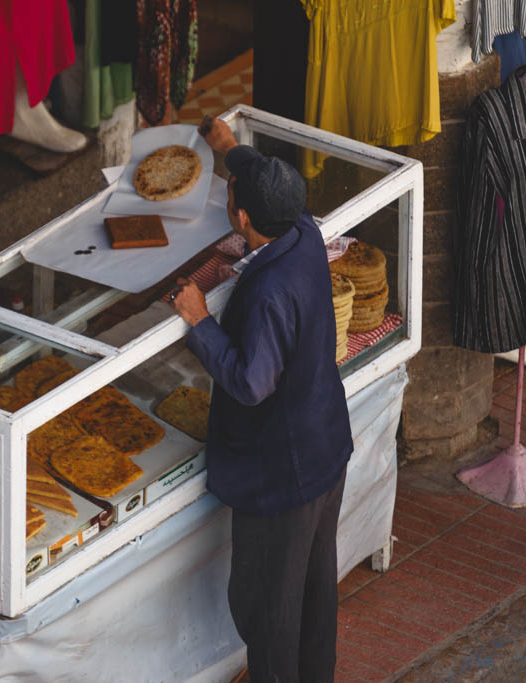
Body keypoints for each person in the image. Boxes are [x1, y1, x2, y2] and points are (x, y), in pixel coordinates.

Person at [171, 116, 354, 682]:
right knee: (315, 596)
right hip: (325, 447)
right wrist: (228, 147)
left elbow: (252, 382)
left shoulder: (271, 292)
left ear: (241, 218)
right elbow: (254, 173)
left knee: (270, 611)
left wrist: (200, 320)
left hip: (286, 473)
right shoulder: (300, 229)